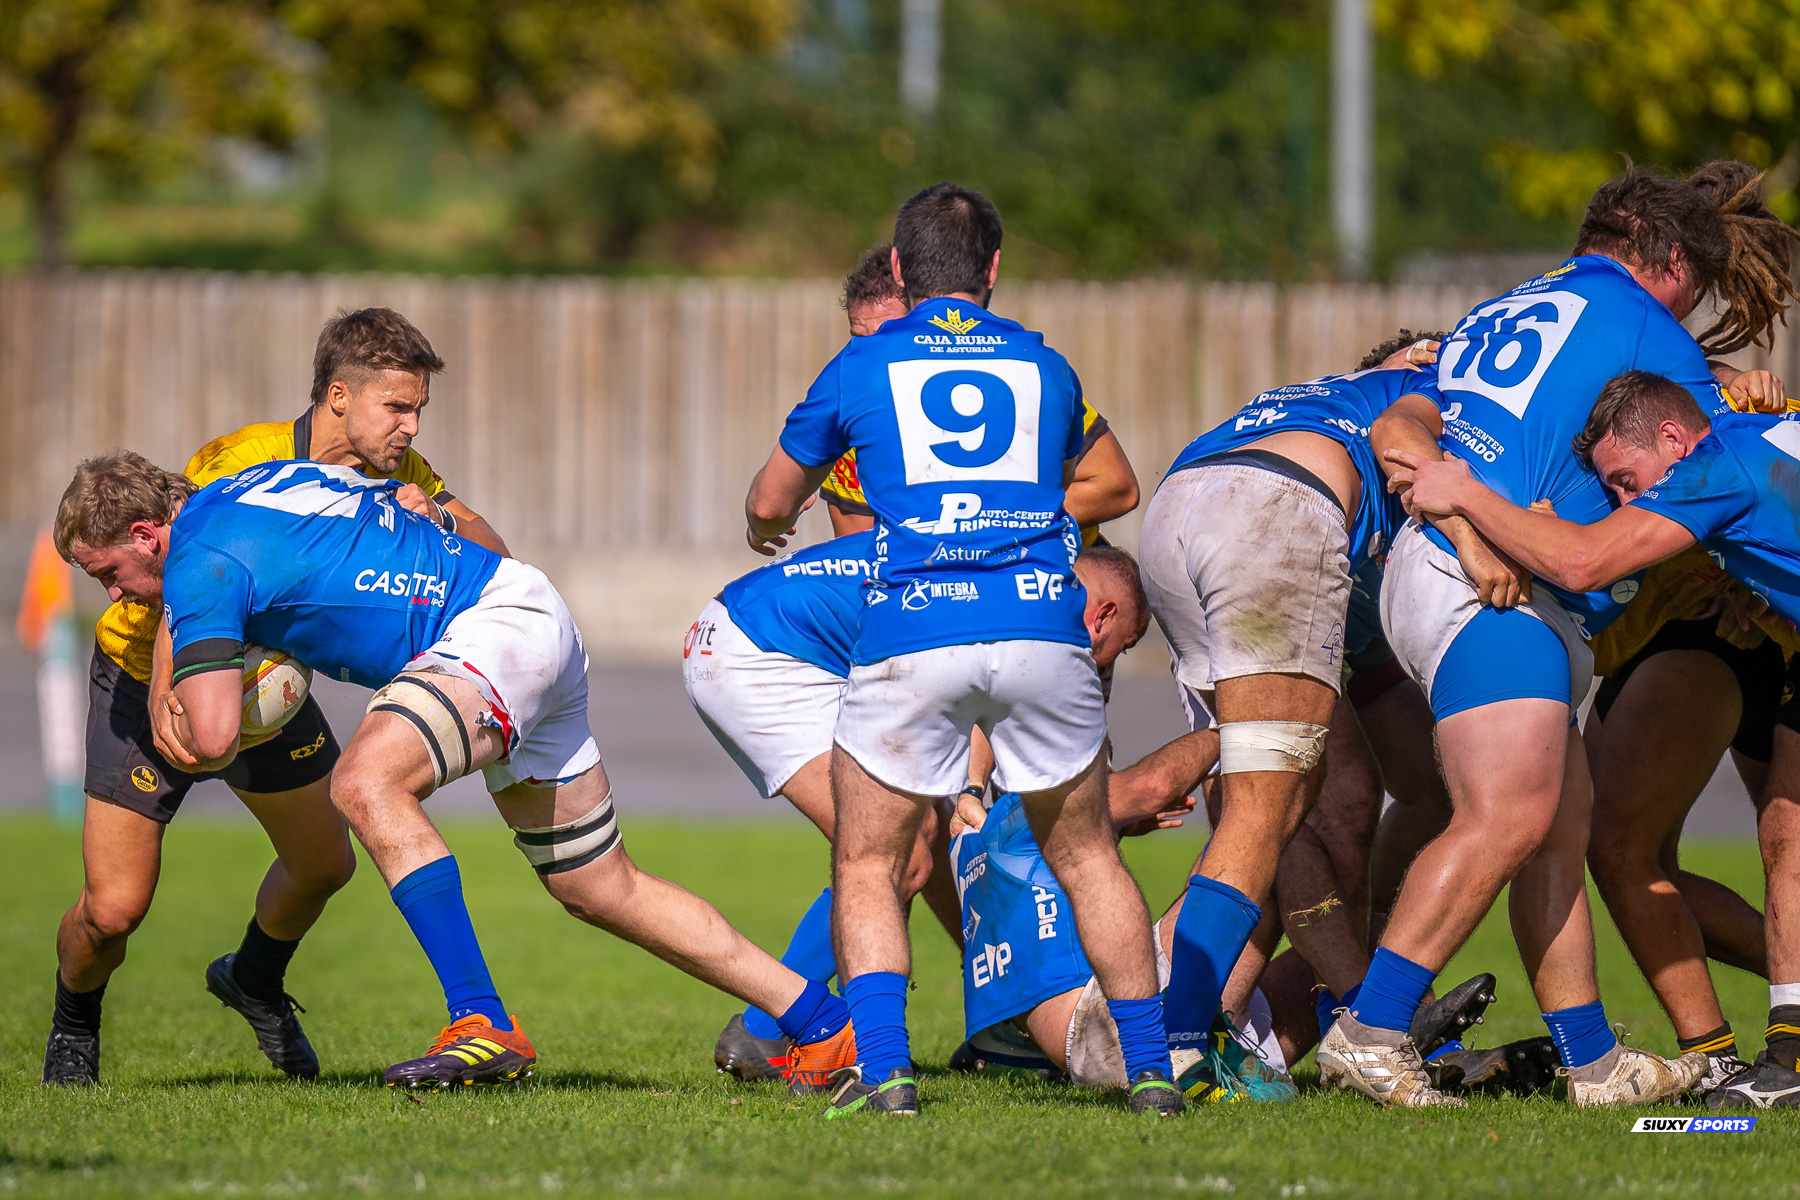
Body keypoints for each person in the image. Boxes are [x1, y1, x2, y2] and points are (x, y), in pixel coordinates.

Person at [59, 452, 862, 1093]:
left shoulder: (199, 567)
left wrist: (173, 701)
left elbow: (213, 738)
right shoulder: (249, 485)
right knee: (600, 886)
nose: (116, 596)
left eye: (108, 574)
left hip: (489, 632)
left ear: (144, 533)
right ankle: (821, 1022)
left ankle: (479, 1020)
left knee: (365, 781)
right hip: (525, 610)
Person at [1349, 163, 1795, 1107]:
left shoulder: (1500, 308)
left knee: (1560, 825)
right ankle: (1373, 1028)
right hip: (1503, 597)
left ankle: (1593, 1064)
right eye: (1696, 290)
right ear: (1670, 262)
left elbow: (1401, 419)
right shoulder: (1643, 324)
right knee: (1510, 818)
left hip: (1447, 572)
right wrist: (1741, 394)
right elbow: (1696, 476)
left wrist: (1459, 510)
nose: (1693, 313)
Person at [745, 182, 1181, 1116]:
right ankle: (1151, 1074)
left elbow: (773, 498)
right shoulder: (1049, 368)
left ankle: (889, 1077)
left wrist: (762, 526)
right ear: (992, 270)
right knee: (1091, 855)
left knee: (868, 860)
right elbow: (1099, 478)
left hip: (915, 632)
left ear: (899, 271)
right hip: (1040, 628)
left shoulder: (863, 364)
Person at [38, 308, 508, 1087]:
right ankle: (73, 1025)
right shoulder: (236, 460)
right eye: (398, 407)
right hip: (141, 681)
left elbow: (497, 553)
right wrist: (165, 688)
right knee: (114, 911)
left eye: (417, 409)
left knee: (324, 865)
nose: (412, 427)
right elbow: (193, 580)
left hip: (265, 690)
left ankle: (253, 979)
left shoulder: (399, 477)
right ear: (337, 397)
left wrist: (442, 523)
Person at [1137, 325, 1511, 1097]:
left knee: (1286, 801)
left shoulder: (1313, 402)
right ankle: (1180, 1043)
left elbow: (1412, 762)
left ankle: (1346, 1004)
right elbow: (1401, 435)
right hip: (1274, 511)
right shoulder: (1417, 396)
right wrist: (1476, 546)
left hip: (1183, 505)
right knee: (1266, 810)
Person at [818, 244, 1139, 545]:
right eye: (860, 339)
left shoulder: (1022, 383)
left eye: (889, 336)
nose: (873, 354)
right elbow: (859, 555)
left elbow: (1115, 487)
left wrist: (986, 527)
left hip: (1067, 582)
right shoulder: (850, 422)